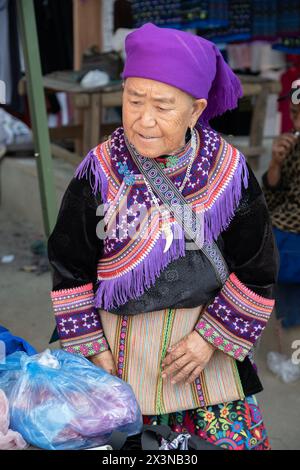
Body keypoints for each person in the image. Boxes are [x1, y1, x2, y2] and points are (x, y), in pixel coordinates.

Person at [48, 23, 278, 450]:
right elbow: (69, 266)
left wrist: (208, 340)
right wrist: (93, 352)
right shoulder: (99, 170)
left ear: (195, 110)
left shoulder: (229, 172)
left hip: (203, 360)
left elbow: (257, 268)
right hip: (116, 359)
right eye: (134, 100)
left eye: (163, 106)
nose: (144, 119)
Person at [262, 85, 300, 329]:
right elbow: (273, 197)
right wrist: (276, 163)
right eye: (295, 114)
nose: (298, 123)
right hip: (287, 230)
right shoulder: (291, 146)